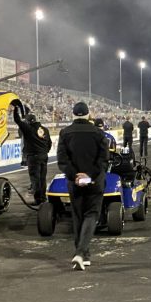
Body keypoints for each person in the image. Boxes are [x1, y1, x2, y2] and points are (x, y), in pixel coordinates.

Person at [57, 102, 109, 270]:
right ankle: (81, 253)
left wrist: (75, 176)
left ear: (73, 115)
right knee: (91, 215)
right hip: (94, 181)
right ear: (88, 114)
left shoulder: (65, 133)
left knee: (78, 215)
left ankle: (83, 254)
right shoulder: (99, 133)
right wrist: (89, 175)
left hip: (75, 182)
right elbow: (103, 160)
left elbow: (62, 161)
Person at [12, 102, 52, 204]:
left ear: (28, 122)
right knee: (43, 178)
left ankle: (38, 199)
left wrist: (15, 109)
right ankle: (43, 198)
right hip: (44, 156)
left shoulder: (28, 128)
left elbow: (17, 120)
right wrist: (45, 151)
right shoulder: (45, 129)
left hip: (33, 157)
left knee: (35, 179)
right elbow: (49, 143)